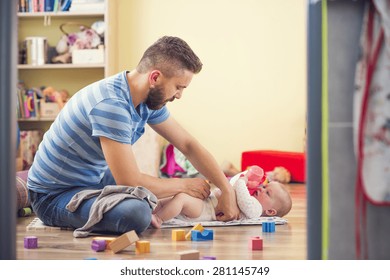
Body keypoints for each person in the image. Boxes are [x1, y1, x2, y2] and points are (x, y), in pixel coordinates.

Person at [27, 36, 240, 235]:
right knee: (137, 213)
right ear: (155, 77)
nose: (179, 95)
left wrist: (226, 189)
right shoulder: (111, 104)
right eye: (178, 87)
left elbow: (188, 144)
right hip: (53, 197)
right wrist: (184, 184)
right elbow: (129, 180)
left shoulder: (147, 99)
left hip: (92, 179)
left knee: (148, 192)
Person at [150, 176, 292, 229]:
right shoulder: (250, 199)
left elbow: (243, 199)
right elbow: (229, 188)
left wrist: (242, 181)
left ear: (270, 212)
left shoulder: (254, 209)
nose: (261, 189)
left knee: (181, 198)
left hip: (205, 211)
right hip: (206, 202)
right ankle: (152, 209)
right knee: (173, 198)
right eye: (264, 186)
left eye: (267, 193)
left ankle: (158, 218)